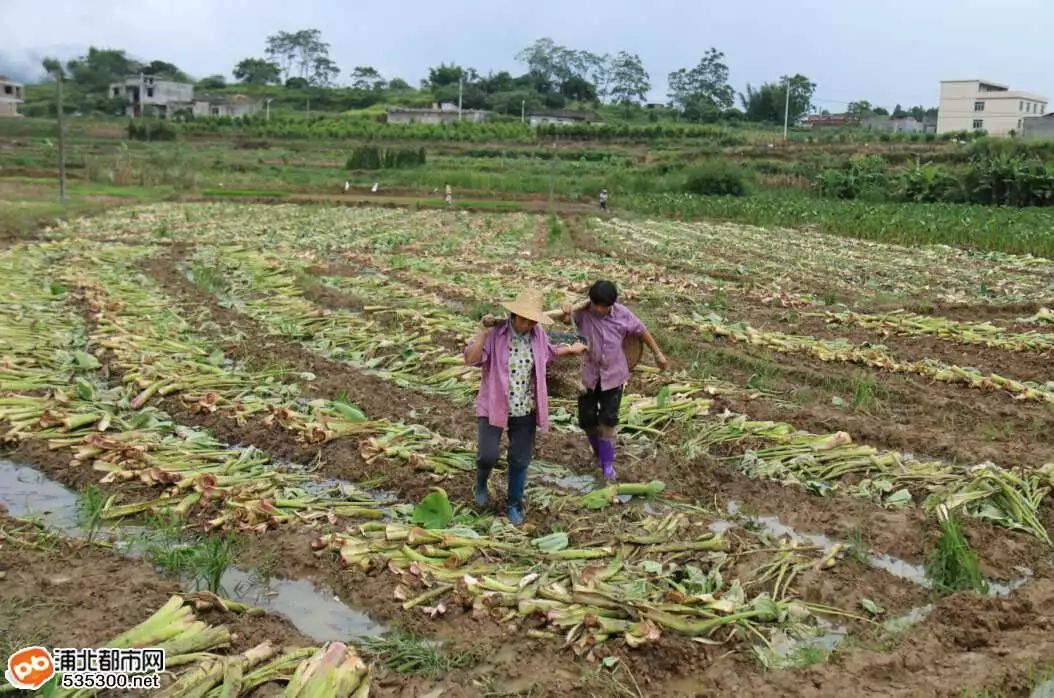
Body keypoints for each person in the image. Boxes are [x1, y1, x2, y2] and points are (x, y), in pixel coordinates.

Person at [465, 289, 586, 525]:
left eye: (532, 320)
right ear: (513, 314)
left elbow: (548, 354)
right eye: (523, 319)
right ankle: (480, 483)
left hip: (525, 408)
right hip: (494, 405)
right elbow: (471, 358)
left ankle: (514, 503)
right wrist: (482, 332)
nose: (527, 324)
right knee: (488, 455)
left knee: (520, 459)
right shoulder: (496, 333)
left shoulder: (537, 335)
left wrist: (571, 349)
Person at [560, 280, 668, 481]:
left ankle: (607, 464)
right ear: (591, 301)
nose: (600, 310)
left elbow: (642, 331)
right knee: (587, 420)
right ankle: (597, 452)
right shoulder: (582, 313)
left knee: (608, 420)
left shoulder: (622, 314)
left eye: (605, 306)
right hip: (587, 376)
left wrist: (658, 354)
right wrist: (566, 310)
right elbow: (564, 321)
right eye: (597, 305)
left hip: (614, 375)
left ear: (612, 304)